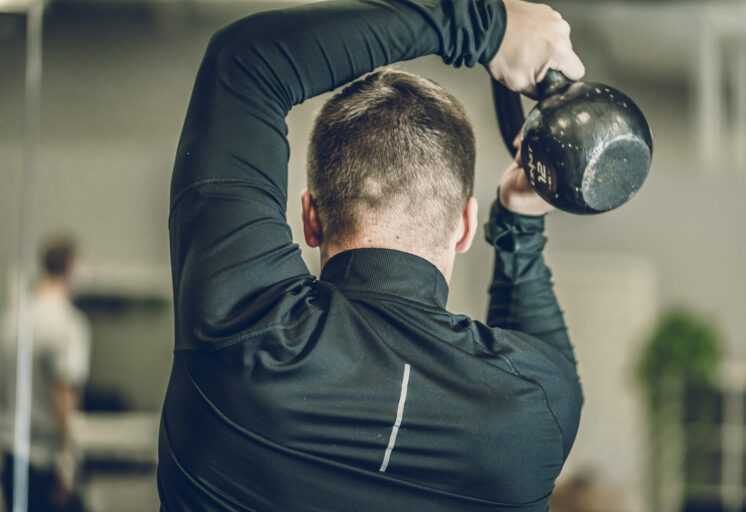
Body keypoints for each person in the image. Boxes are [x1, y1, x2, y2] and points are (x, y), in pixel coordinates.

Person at [158, 0, 584, 510]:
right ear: (466, 226)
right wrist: (519, 225)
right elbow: (551, 363)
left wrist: (487, 27)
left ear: (310, 217)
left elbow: (246, 61)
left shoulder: (244, 327)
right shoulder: (533, 406)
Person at [1, 237, 89, 512]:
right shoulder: (67, 322)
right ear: (71, 267)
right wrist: (67, 462)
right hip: (45, 462)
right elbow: (64, 396)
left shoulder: (12, 320)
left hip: (11, 458)